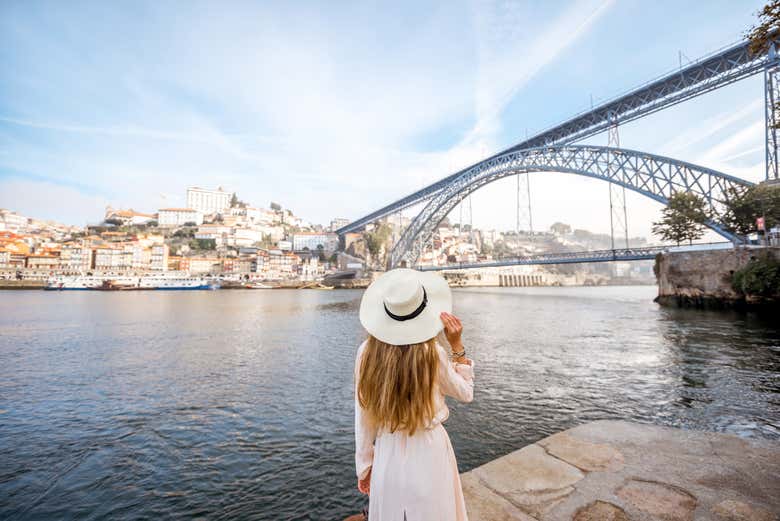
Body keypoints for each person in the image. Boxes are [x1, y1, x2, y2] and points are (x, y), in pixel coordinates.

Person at [354, 268, 474, 521]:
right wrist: (457, 347)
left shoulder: (366, 352)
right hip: (430, 452)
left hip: (387, 452)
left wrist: (365, 465)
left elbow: (362, 414)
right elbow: (465, 393)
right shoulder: (433, 354)